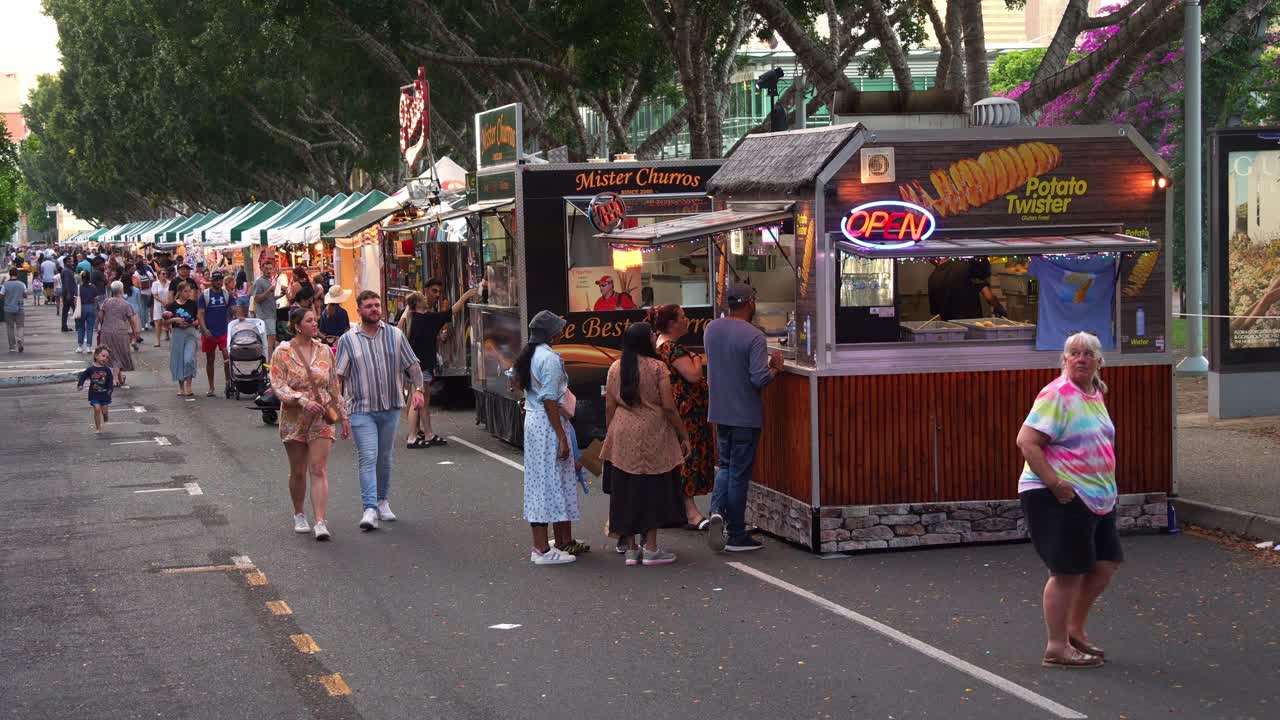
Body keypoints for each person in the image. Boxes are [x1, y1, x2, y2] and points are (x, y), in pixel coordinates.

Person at [1016, 331, 1121, 670]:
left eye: (1088, 353)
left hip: (1097, 495)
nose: (1080, 358)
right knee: (1068, 570)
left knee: (1105, 563)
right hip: (1058, 494)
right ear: (1064, 359)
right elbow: (1027, 441)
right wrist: (1055, 483)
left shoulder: (1094, 393)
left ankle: (1074, 628)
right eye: (1073, 353)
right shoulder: (1057, 393)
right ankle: (1056, 646)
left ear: (1098, 361)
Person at [600, 322, 690, 566]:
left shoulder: (616, 367)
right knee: (653, 487)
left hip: (622, 432)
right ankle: (650, 548)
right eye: (651, 334)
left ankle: (630, 549)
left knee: (626, 490)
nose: (654, 337)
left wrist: (612, 432)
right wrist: (683, 435)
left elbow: (609, 406)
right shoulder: (658, 367)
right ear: (644, 340)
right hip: (654, 433)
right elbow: (669, 407)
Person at [703, 282, 784, 553]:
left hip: (719, 411)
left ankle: (716, 512)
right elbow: (758, 378)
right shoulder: (754, 336)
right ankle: (736, 533)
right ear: (750, 303)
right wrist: (776, 369)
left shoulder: (711, 329)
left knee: (724, 467)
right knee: (738, 473)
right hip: (745, 414)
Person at [335, 290, 425, 531]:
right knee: (368, 456)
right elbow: (339, 377)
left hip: (390, 407)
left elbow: (413, 365)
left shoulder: (395, 335)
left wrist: (419, 390)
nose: (374, 309)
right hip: (361, 409)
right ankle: (369, 509)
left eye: (376, 305)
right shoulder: (348, 340)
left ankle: (383, 502)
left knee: (384, 458)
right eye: (368, 306)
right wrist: (339, 408)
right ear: (359, 310)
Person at [511, 310, 583, 565]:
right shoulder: (549, 358)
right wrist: (562, 436)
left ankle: (549, 543)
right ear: (552, 333)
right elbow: (551, 399)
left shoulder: (528, 355)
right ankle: (541, 549)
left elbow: (515, 382)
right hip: (546, 423)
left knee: (542, 481)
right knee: (546, 483)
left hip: (534, 421)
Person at [271, 307, 344, 541]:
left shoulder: (325, 351)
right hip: (294, 418)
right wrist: (301, 400)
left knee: (318, 469)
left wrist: (343, 415)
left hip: (322, 416)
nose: (315, 324)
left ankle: (321, 521)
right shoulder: (282, 352)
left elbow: (333, 385)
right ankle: (299, 513)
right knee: (299, 472)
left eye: (316, 320)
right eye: (309, 320)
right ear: (297, 325)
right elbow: (278, 384)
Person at [650, 304, 714, 529]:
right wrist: (696, 358)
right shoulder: (672, 349)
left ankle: (676, 509)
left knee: (678, 459)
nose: (687, 320)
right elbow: (694, 376)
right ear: (672, 324)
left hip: (682, 409)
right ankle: (690, 512)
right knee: (688, 459)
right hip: (686, 413)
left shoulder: (660, 344)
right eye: (683, 317)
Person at [928, 257, 1006, 321]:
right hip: (972, 323)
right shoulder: (965, 267)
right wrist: (997, 306)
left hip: (951, 327)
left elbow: (936, 311)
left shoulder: (932, 278)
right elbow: (988, 296)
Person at [96, 281, 140, 390]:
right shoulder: (126, 304)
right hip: (121, 331)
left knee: (110, 354)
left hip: (107, 330)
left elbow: (100, 315)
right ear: (121, 290)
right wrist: (134, 333)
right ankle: (115, 379)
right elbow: (132, 320)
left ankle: (119, 377)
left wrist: (103, 325)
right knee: (119, 354)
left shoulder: (106, 302)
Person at [196, 271, 234, 397]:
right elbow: (200, 314)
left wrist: (238, 319)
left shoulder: (226, 294)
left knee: (226, 356)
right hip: (209, 332)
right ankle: (211, 387)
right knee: (210, 359)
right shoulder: (204, 295)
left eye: (220, 279)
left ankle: (228, 383)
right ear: (212, 281)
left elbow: (233, 309)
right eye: (216, 279)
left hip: (223, 330)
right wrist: (204, 329)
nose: (219, 282)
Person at [164, 281, 201, 397]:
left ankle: (189, 385)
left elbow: (199, 319)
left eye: (189, 291)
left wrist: (191, 324)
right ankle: (181, 387)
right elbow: (164, 322)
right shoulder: (172, 306)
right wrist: (175, 320)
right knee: (178, 359)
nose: (188, 293)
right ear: (179, 292)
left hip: (190, 333)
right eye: (185, 291)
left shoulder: (193, 304)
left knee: (189, 359)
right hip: (177, 334)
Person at [78, 346, 115, 433]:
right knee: (97, 409)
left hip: (105, 394)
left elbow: (110, 380)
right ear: (96, 356)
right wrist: (80, 385)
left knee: (104, 411)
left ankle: (105, 416)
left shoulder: (107, 370)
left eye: (107, 357)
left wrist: (110, 389)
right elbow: (83, 376)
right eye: (103, 356)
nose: (105, 358)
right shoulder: (91, 369)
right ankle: (98, 428)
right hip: (94, 394)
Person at [251, 257, 280, 355]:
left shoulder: (269, 281)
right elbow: (257, 299)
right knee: (270, 340)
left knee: (271, 340)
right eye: (266, 269)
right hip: (265, 316)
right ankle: (269, 363)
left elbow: (270, 298)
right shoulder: (259, 281)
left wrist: (282, 294)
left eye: (270, 269)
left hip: (271, 314)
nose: (268, 271)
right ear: (261, 269)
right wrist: (269, 291)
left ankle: (269, 362)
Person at [1, 268, 27, 353]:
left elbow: (1, 295)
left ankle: (12, 346)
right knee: (20, 326)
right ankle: (20, 340)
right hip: (20, 308)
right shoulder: (22, 284)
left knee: (10, 327)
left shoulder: (5, 285)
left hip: (8, 308)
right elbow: (25, 295)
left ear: (9, 274)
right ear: (17, 274)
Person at [75, 271, 99, 353]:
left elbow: (75, 300)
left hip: (81, 308)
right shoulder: (93, 287)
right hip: (91, 307)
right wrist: (95, 308)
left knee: (81, 327)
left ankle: (80, 346)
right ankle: (88, 346)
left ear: (81, 278)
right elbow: (96, 298)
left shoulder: (79, 287)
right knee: (90, 328)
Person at [151, 269, 172, 347]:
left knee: (168, 321)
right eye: (163, 274)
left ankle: (168, 334)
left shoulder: (169, 283)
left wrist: (168, 302)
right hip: (158, 305)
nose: (164, 275)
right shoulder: (155, 284)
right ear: (159, 275)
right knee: (158, 322)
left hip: (168, 304)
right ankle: (157, 340)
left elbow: (171, 293)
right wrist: (162, 302)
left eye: (166, 274)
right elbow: (155, 295)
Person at [134, 260, 155, 330]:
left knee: (141, 308)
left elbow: (135, 284)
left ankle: (143, 325)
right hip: (148, 292)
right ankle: (146, 324)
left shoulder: (136, 273)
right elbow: (153, 280)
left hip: (140, 292)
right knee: (146, 308)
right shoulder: (148, 272)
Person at [60, 258, 77, 332]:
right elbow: (67, 283)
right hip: (69, 293)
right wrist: (68, 294)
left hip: (68, 293)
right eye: (69, 262)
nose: (71, 263)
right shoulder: (67, 271)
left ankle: (64, 326)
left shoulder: (67, 270)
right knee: (75, 309)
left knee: (66, 310)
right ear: (66, 263)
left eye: (71, 261)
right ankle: (78, 325)